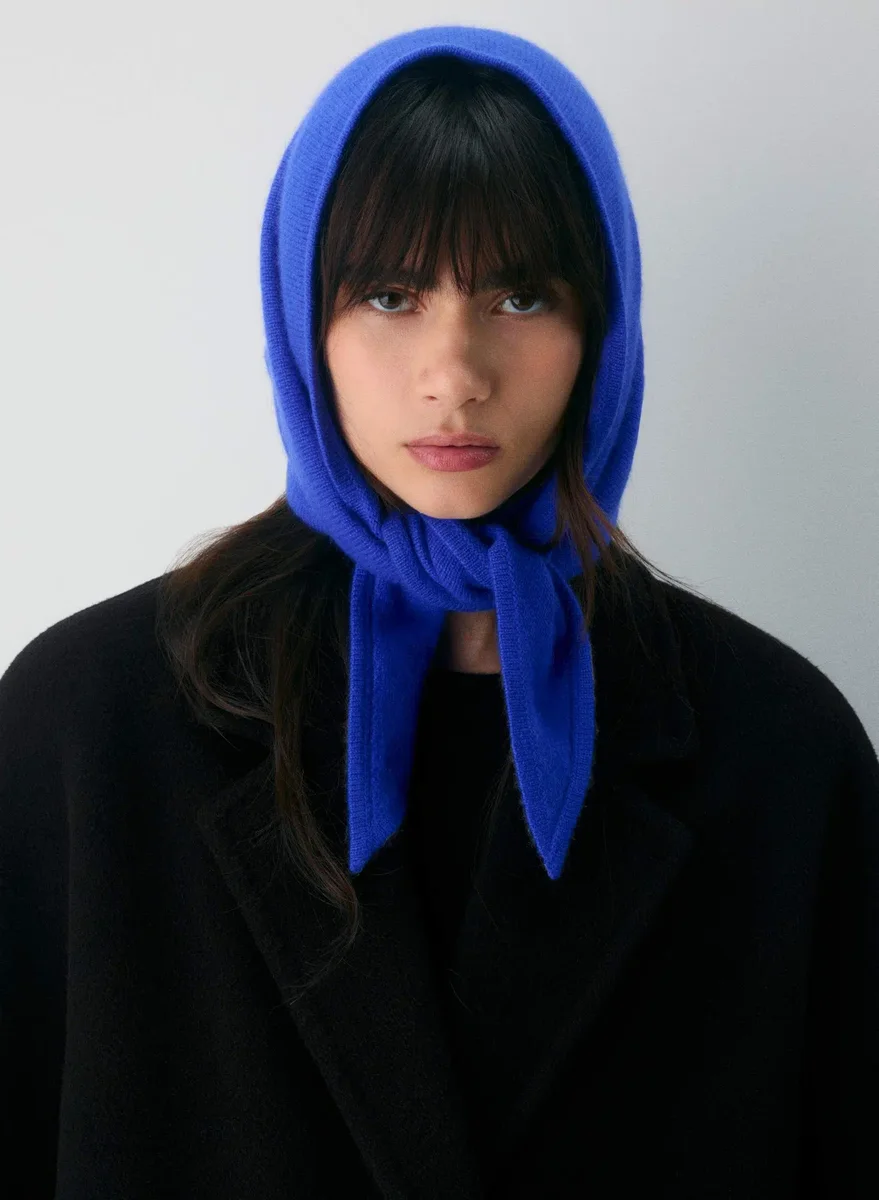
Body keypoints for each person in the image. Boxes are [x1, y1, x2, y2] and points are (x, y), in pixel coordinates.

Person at [1, 23, 876, 1200]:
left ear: (602, 327)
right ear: (302, 319)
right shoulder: (84, 724)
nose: (455, 372)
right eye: (390, 293)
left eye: (521, 294)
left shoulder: (782, 751)